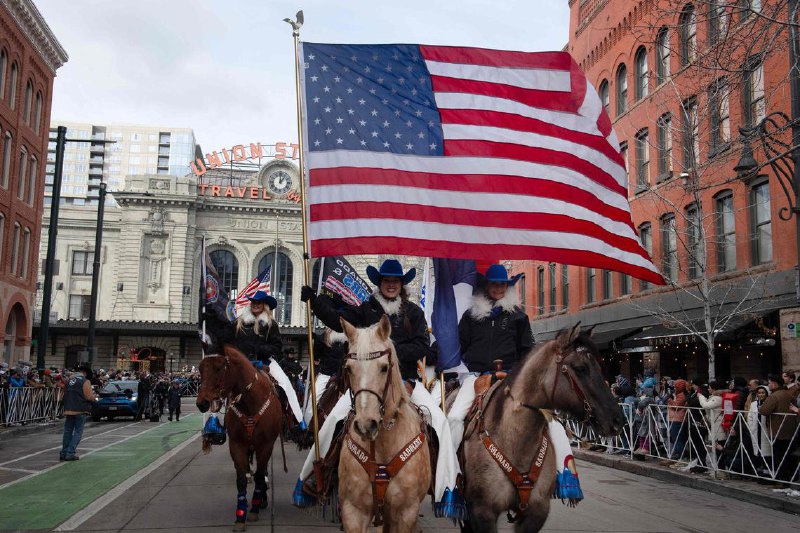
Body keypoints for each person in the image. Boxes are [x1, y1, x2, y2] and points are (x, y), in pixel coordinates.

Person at [297, 259, 464, 518]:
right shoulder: (367, 309)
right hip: (368, 384)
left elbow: (421, 345)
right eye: (386, 281)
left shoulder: (415, 314)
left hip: (406, 381)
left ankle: (447, 487)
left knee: (440, 422)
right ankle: (311, 476)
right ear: (380, 283)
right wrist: (315, 302)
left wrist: (390, 352)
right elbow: (338, 319)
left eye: (395, 281)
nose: (391, 285)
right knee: (332, 420)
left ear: (401, 285)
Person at [447, 264, 534, 451]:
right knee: (454, 418)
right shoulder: (471, 316)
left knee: (544, 418)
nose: (498, 288)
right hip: (476, 377)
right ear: (486, 285)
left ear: (507, 286)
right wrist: (439, 351)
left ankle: (564, 474)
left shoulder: (519, 317)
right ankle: (452, 473)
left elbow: (527, 351)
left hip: (511, 377)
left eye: (502, 284)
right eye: (493, 284)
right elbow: (457, 344)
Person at [212, 290, 304, 425]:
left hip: (264, 361)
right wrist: (213, 322)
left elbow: (276, 346)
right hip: (241, 363)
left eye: (259, 302)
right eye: (253, 302)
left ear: (264, 305)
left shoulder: (271, 325)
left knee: (286, 383)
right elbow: (227, 338)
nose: (255, 304)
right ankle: (215, 421)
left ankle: (297, 420)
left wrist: (260, 350)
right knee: (221, 383)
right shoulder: (239, 322)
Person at [759, 374, 799, 482]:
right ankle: (792, 477)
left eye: (769, 383)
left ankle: (782, 480)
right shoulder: (789, 394)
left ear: (774, 383)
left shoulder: (774, 396)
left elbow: (764, 411)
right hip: (790, 429)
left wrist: (760, 406)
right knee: (788, 454)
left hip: (777, 429)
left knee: (779, 456)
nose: (768, 385)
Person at [60, 363, 98, 461]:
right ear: (85, 373)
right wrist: (95, 398)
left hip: (68, 409)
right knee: (78, 432)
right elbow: (88, 396)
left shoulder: (68, 381)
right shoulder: (85, 381)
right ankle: (70, 453)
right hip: (80, 409)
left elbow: (64, 394)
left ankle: (64, 452)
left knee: (67, 431)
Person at [747, 384, 772, 477]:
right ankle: (760, 473)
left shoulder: (769, 403)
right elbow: (749, 416)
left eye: (763, 393)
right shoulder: (754, 404)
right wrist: (751, 426)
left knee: (767, 453)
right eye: (759, 393)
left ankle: (767, 474)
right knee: (757, 453)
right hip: (756, 430)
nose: (761, 395)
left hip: (765, 430)